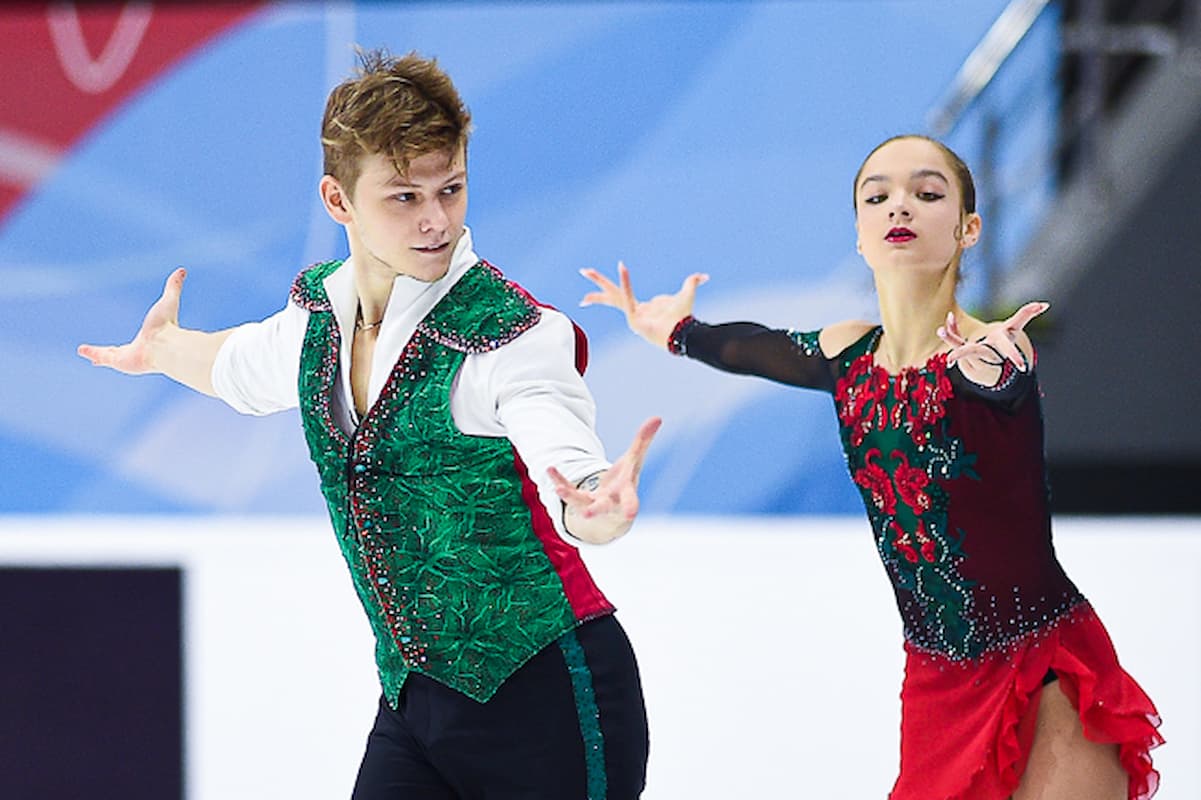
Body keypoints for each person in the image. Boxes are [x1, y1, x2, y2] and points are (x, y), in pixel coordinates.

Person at [79, 49, 656, 800]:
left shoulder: (508, 335)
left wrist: (593, 506)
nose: (436, 220)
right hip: (415, 703)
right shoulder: (317, 319)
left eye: (450, 189)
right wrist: (161, 348)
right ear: (337, 199)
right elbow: (241, 368)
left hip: (548, 695)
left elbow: (566, 457)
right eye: (404, 197)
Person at [580, 134, 1163, 800]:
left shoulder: (990, 351)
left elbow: (1003, 382)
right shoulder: (846, 355)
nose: (899, 207)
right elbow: (749, 347)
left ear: (968, 228)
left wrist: (993, 369)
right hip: (937, 684)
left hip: (1044, 670)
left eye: (926, 192)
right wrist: (677, 333)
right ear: (859, 233)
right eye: (877, 196)